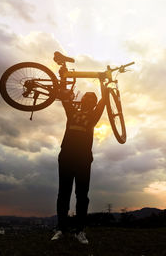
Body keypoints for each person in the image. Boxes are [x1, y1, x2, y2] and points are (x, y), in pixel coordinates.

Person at [51, 81, 106, 244]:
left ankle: (80, 231)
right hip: (66, 157)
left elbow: (104, 100)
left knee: (82, 196)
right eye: (86, 98)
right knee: (64, 194)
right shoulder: (72, 111)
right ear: (81, 101)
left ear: (94, 104)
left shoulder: (94, 115)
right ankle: (61, 229)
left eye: (92, 99)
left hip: (83, 159)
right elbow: (65, 98)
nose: (88, 101)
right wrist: (63, 83)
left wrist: (103, 81)